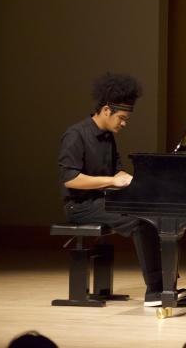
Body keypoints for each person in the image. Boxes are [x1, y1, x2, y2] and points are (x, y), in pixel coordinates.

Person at [58, 72, 165, 307]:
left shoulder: (108, 136)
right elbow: (70, 179)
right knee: (140, 222)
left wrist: (133, 181)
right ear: (107, 110)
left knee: (152, 214)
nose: (124, 123)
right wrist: (111, 181)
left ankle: (166, 285)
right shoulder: (76, 135)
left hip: (103, 201)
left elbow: (117, 173)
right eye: (122, 118)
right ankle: (156, 291)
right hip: (80, 206)